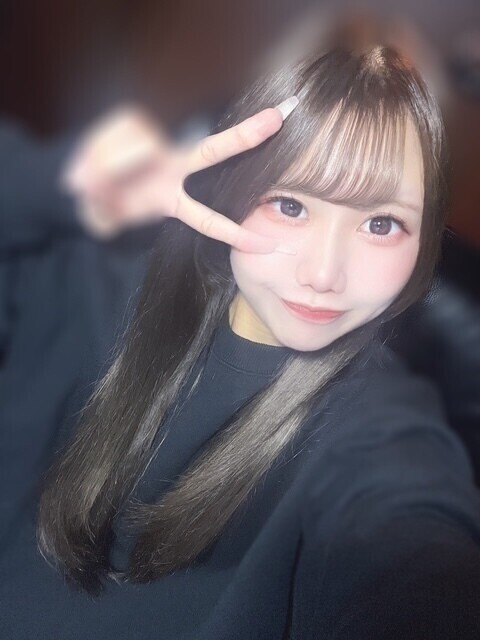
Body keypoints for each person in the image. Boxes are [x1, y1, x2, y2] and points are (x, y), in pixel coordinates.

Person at [2, 22, 480, 640]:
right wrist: (61, 186)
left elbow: (416, 556)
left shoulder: (378, 429)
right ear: (234, 187)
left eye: (382, 224)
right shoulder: (84, 285)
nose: (323, 275)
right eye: (291, 205)